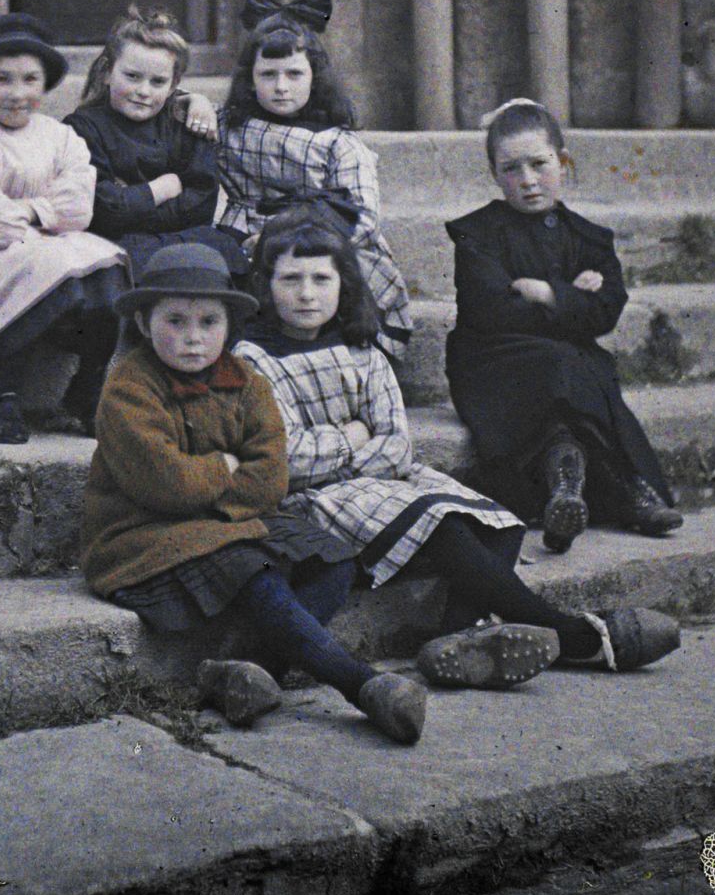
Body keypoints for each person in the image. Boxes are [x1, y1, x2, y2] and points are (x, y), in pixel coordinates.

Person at [237, 208, 680, 677]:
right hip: (317, 499)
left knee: (500, 525)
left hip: (382, 483)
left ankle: (454, 639)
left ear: (344, 284)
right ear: (266, 286)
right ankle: (572, 635)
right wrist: (352, 439)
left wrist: (348, 448)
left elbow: (397, 447)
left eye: (321, 279)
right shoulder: (254, 359)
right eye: (291, 279)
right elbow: (289, 458)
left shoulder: (363, 351)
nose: (307, 293)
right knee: (443, 524)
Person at [79, 241, 429, 744]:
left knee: (332, 558)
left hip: (226, 524)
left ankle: (248, 670)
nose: (193, 338)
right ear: (142, 322)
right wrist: (226, 466)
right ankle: (361, 684)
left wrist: (210, 480)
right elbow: (165, 484)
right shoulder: (129, 388)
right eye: (174, 321)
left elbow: (270, 478)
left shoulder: (247, 382)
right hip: (142, 533)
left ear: (229, 326)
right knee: (250, 566)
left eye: (209, 322)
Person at [446, 98, 685, 555]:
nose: (528, 180)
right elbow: (494, 311)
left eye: (539, 164)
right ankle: (626, 492)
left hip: (564, 363)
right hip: (491, 362)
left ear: (564, 162)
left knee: (573, 370)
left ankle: (565, 485)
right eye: (511, 168)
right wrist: (574, 299)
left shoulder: (589, 238)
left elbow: (607, 310)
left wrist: (548, 293)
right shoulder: (478, 236)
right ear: (494, 174)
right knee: (565, 365)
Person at [0, 14, 129, 442]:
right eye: (2, 79)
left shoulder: (61, 137)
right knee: (55, 268)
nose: (18, 94)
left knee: (110, 274)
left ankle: (87, 389)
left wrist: (26, 212)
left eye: (30, 80)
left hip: (44, 259)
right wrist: (47, 215)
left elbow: (78, 208)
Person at [215, 0, 414, 359]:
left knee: (334, 277)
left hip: (319, 239)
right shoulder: (230, 127)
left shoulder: (338, 143)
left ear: (315, 78)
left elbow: (364, 218)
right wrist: (191, 102)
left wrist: (280, 239)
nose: (281, 86)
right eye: (268, 74)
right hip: (243, 235)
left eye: (294, 74)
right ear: (250, 80)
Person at [64, 6, 250, 281]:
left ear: (173, 85)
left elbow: (200, 206)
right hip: (116, 242)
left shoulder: (185, 122)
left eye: (158, 82)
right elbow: (103, 209)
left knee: (221, 253)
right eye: (132, 76)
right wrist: (161, 189)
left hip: (184, 238)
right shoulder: (83, 127)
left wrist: (131, 200)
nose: (143, 91)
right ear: (107, 72)